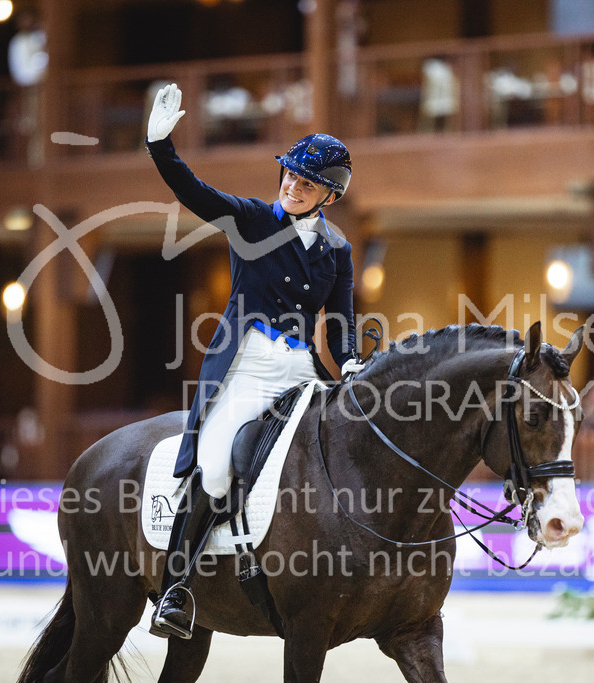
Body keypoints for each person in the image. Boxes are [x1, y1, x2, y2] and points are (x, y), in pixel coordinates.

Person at [144, 83, 363, 639]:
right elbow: (194, 192)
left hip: (299, 371)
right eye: (289, 174)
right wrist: (159, 145)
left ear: (328, 196)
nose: (292, 184)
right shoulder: (250, 219)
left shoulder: (338, 250)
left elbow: (338, 322)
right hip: (246, 365)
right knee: (216, 466)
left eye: (306, 182)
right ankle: (177, 586)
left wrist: (354, 362)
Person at [8, 9, 48, 167]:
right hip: (29, 88)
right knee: (31, 126)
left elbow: (46, 57)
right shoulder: (18, 43)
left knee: (45, 125)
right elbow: (20, 71)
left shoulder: (38, 39)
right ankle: (33, 163)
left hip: (43, 88)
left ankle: (42, 160)